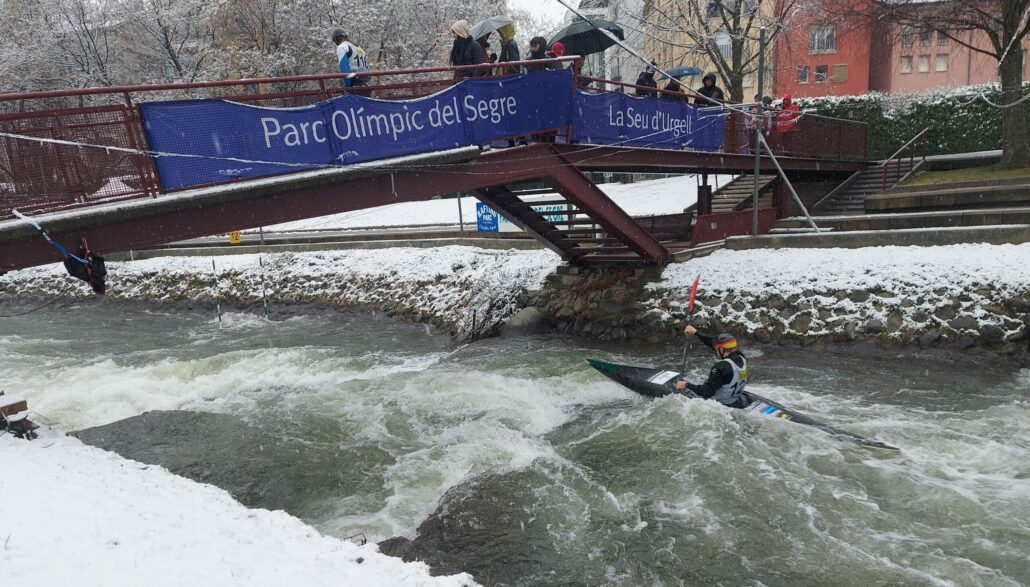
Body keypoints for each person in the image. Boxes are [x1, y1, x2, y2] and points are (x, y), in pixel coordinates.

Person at [674, 325, 750, 409]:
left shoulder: (720, 367)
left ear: (721, 348)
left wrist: (686, 385)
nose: (715, 350)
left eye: (717, 348)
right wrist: (696, 332)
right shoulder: (740, 356)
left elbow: (706, 392)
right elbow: (712, 343)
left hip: (722, 406)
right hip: (734, 399)